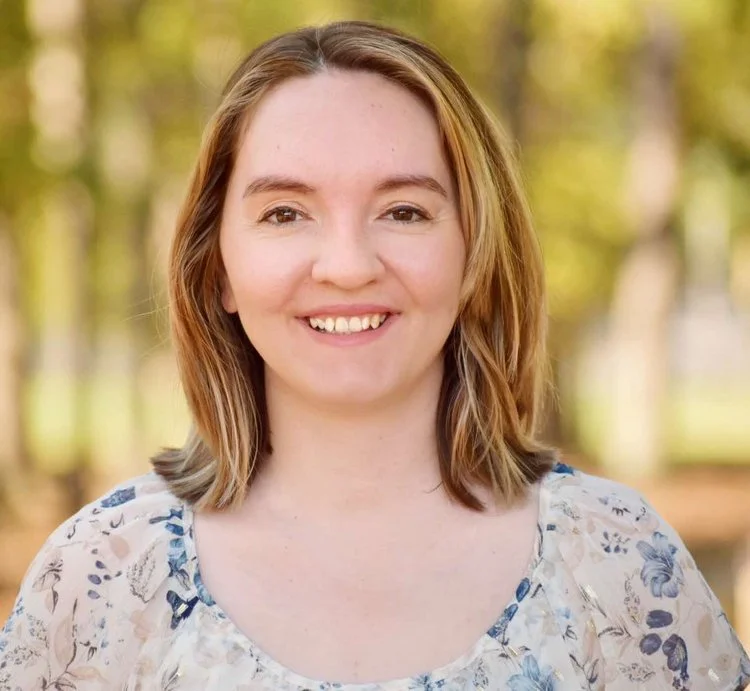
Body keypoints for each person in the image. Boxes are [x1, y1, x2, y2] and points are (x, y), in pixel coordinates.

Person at [1, 20, 748, 691]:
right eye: (286, 213)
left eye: (404, 211)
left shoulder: (618, 565)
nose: (348, 264)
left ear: (474, 255)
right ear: (217, 266)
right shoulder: (102, 577)